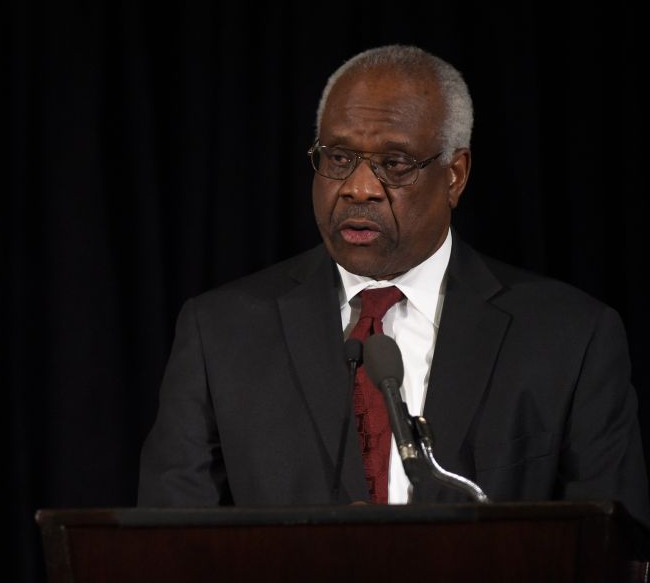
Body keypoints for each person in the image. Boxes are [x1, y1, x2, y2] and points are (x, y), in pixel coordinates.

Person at [137, 45, 650, 534]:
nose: (359, 187)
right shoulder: (220, 331)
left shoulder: (570, 337)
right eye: (338, 158)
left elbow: (610, 551)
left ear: (455, 174)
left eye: (395, 164)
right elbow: (168, 549)